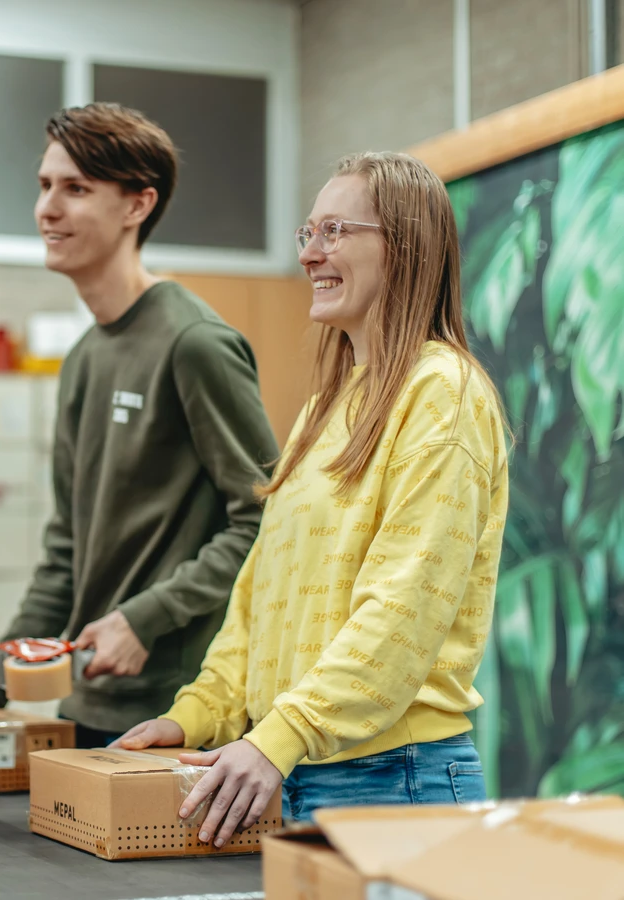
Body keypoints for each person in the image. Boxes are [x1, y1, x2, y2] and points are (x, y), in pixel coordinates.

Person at [113, 151, 510, 846]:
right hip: (297, 770)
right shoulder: (325, 408)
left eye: (334, 231)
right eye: (307, 232)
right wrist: (198, 713)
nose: (309, 254)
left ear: (405, 246)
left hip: (395, 780)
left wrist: (282, 734)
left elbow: (404, 608)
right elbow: (260, 595)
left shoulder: (443, 393)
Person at [0, 103, 278, 746]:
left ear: (137, 205)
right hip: (90, 703)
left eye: (76, 189)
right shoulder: (84, 358)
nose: (47, 209)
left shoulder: (195, 343)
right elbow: (68, 545)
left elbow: (265, 518)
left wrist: (144, 619)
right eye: (44, 185)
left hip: (181, 711)